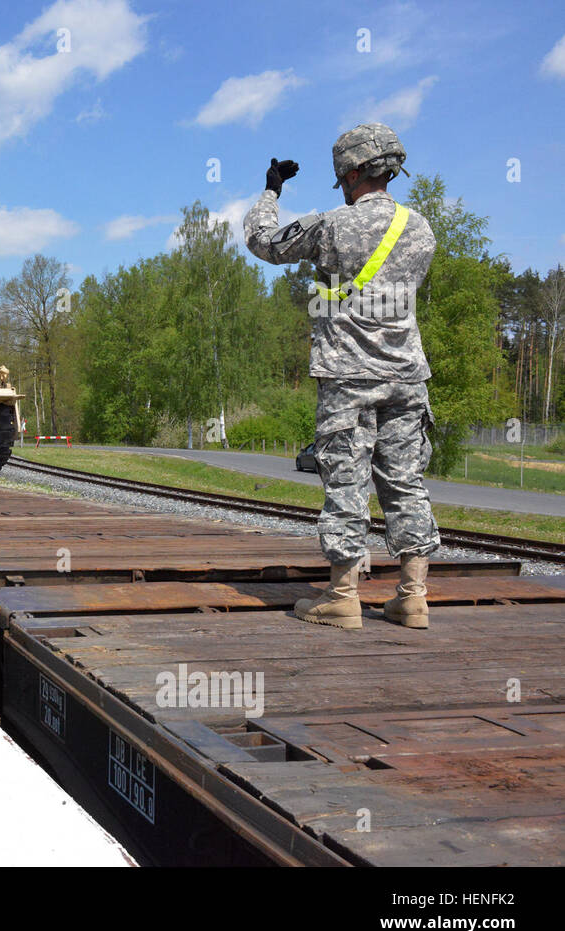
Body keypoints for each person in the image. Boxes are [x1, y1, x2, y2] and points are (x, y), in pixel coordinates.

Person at [243, 122, 439, 630]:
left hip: (349, 377)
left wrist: (270, 190)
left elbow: (262, 242)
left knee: (346, 483)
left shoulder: (332, 225)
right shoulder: (421, 228)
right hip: (407, 377)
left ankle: (342, 596)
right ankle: (413, 597)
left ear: (351, 172)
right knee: (405, 483)